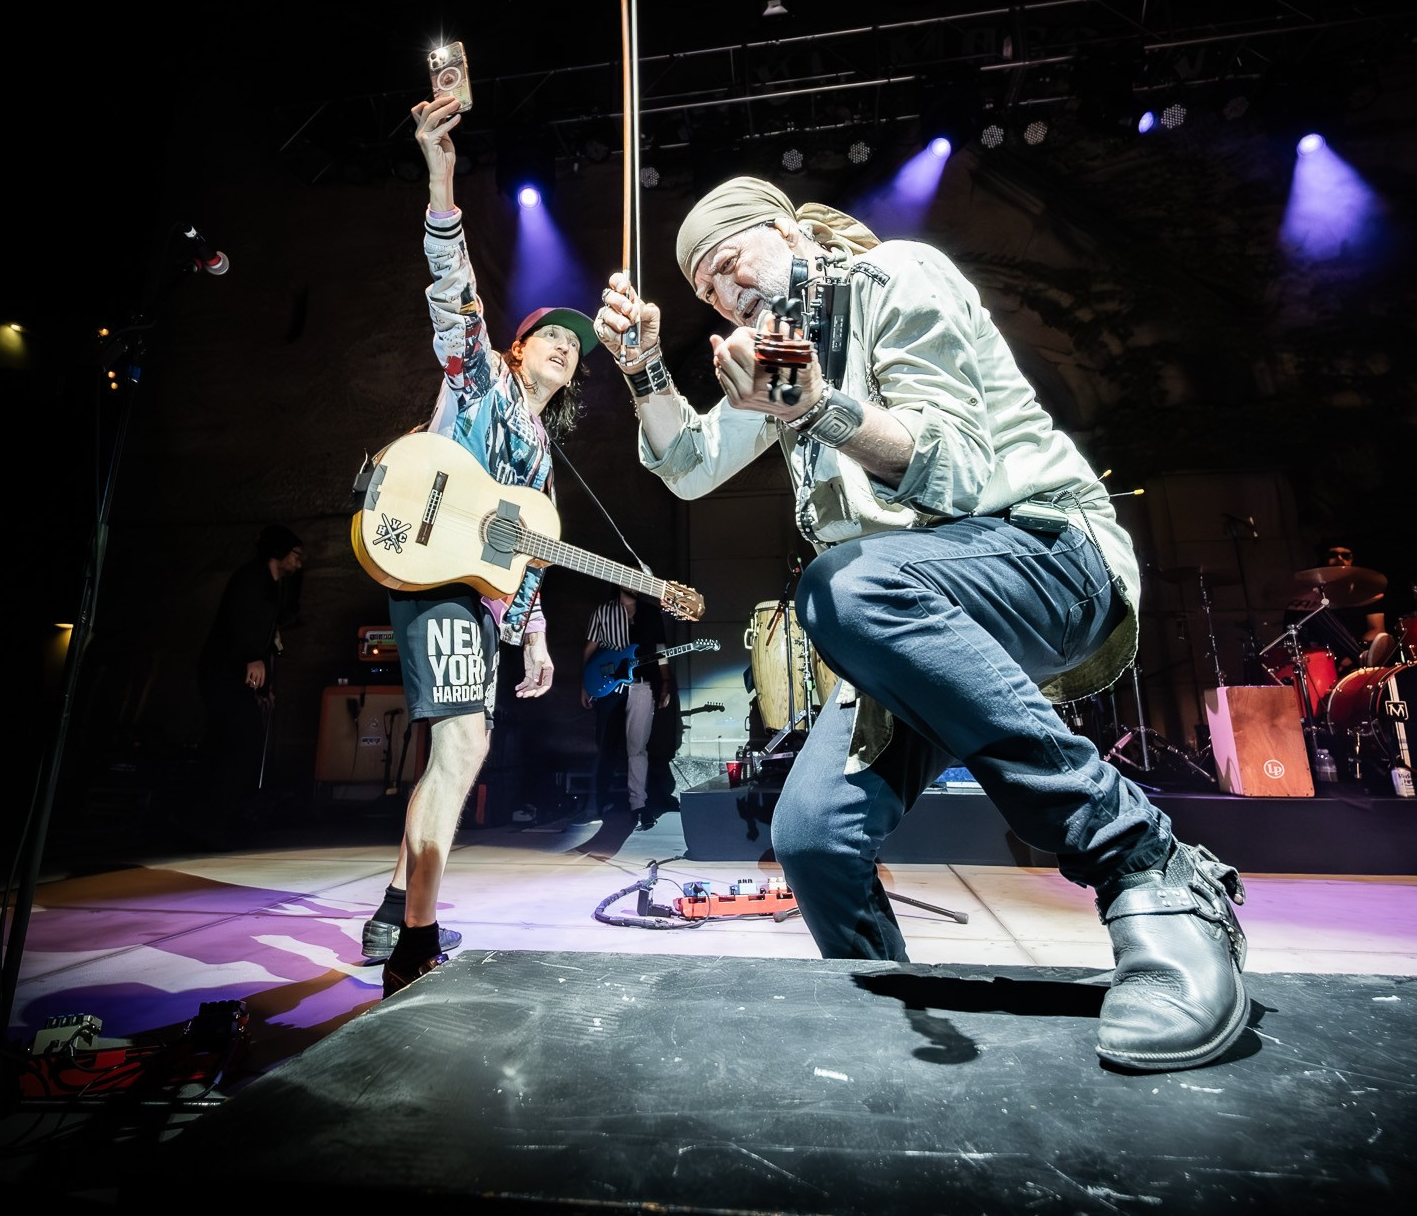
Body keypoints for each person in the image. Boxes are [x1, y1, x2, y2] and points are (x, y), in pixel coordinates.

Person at [594, 176, 1250, 1073]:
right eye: (705, 287)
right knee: (814, 837)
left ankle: (1150, 867)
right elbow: (690, 464)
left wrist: (816, 403)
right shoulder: (783, 355)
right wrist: (644, 369)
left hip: (1046, 553)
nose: (722, 291)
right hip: (904, 603)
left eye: (729, 260)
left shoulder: (896, 276)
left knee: (842, 587)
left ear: (787, 229)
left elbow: (954, 471)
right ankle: (881, 1008)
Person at [361, 93, 596, 997]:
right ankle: (415, 943)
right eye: (554, 337)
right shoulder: (480, 377)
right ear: (519, 343)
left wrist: (534, 633)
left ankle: (393, 906)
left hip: (484, 599)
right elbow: (450, 280)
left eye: (578, 348)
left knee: (449, 755)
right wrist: (442, 173)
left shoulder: (540, 456)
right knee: (460, 752)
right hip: (431, 568)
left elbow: (526, 551)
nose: (568, 348)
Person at [195, 524, 305, 846]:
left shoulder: (274, 587)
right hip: (223, 673)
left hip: (238, 676)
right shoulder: (251, 578)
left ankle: (220, 822)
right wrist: (250, 658)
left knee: (239, 744)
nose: (299, 563)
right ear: (280, 551)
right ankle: (212, 822)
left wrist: (263, 687)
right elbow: (241, 621)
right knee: (238, 742)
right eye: (296, 555)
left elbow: (274, 630)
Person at [580, 587, 673, 826]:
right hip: (609, 687)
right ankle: (596, 806)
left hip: (642, 685)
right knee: (605, 747)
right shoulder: (603, 612)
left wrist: (664, 681)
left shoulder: (650, 613)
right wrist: (585, 684)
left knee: (638, 748)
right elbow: (590, 648)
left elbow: (660, 650)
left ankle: (639, 805)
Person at [1278, 540, 1393, 675]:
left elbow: (1377, 629)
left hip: (1357, 652)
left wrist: (1353, 650)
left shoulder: (1365, 591)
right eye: (1333, 555)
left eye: (1345, 556)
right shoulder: (1315, 593)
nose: (1339, 559)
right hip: (1323, 653)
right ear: (1325, 559)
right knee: (1307, 604)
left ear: (1352, 560)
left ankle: (1359, 655)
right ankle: (1360, 656)